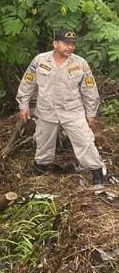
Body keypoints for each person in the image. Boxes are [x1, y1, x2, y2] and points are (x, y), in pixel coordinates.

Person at [16, 29, 107, 186]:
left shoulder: (80, 63)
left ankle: (97, 174)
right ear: (55, 44)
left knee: (85, 141)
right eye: (66, 43)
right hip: (46, 111)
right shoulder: (40, 61)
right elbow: (27, 83)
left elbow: (90, 90)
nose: (70, 47)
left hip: (73, 111)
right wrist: (23, 105)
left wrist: (91, 113)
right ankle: (40, 170)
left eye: (73, 44)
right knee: (43, 142)